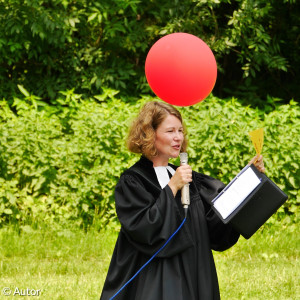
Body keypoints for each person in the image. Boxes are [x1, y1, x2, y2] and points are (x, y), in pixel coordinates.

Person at [100, 101, 265, 300]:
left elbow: (213, 222)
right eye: (170, 131)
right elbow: (143, 228)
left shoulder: (188, 178)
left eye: (180, 130)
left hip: (194, 272)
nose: (178, 137)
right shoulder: (134, 181)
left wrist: (247, 179)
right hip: (155, 279)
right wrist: (172, 188)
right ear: (150, 134)